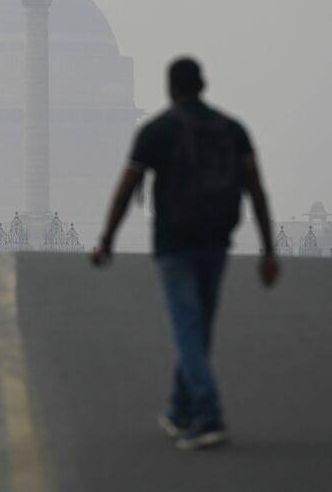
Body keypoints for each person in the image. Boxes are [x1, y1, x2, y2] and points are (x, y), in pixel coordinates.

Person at [91, 56, 279, 450]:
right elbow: (256, 191)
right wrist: (268, 250)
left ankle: (208, 414)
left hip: (174, 244)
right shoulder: (233, 130)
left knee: (189, 329)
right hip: (217, 241)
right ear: (203, 85)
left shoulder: (158, 131)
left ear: (171, 89)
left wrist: (107, 239)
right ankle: (179, 410)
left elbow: (127, 188)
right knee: (198, 328)